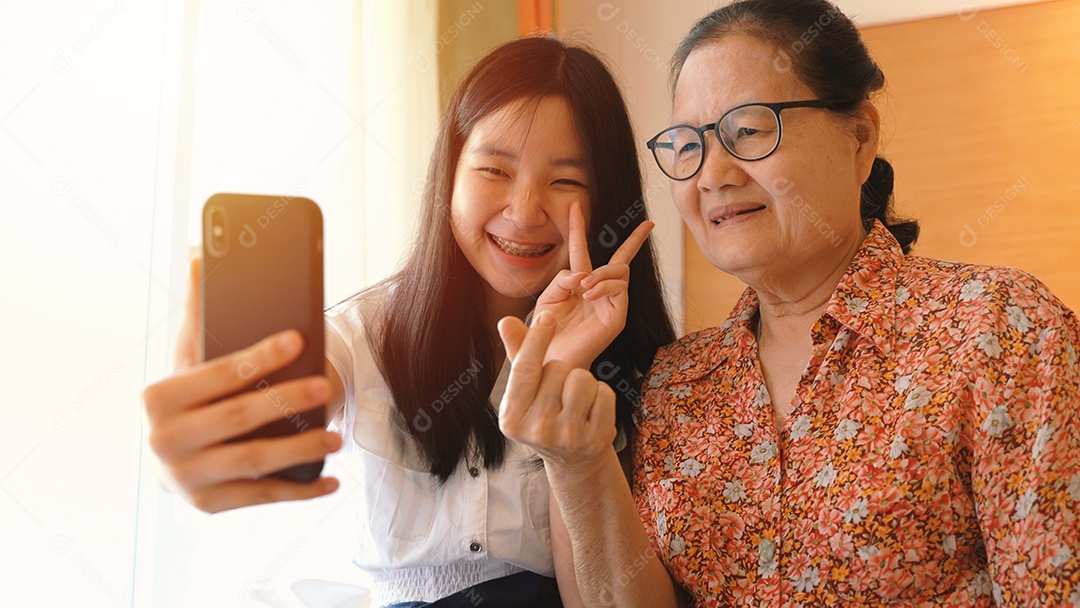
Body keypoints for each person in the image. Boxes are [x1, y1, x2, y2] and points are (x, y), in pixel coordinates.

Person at [497, 1, 1080, 606]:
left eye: (749, 130)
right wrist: (576, 457)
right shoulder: (675, 385)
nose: (712, 174)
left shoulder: (999, 329)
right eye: (688, 145)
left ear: (860, 138)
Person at [141, 36, 676, 608]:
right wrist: (202, 445)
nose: (524, 212)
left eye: (566, 181)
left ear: (607, 197)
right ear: (450, 175)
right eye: (494, 169)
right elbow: (286, 404)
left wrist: (566, 380)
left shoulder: (648, 375)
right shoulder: (362, 336)